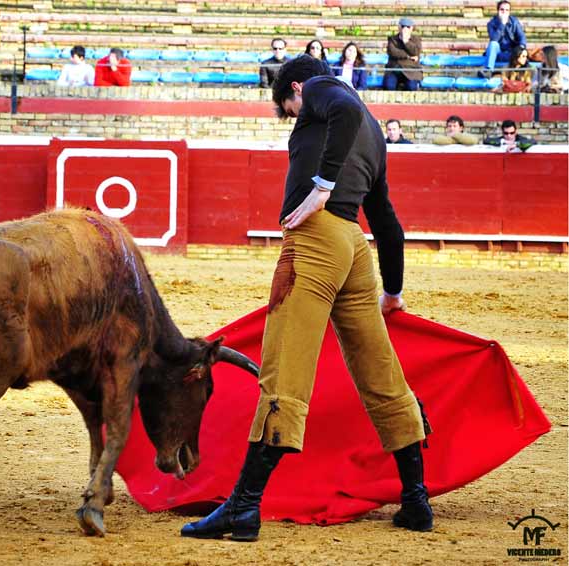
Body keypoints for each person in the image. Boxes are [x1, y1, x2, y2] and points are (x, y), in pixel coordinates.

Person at [180, 55, 431, 542]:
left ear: (296, 87)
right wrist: (393, 291)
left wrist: (321, 186)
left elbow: (346, 111)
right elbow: (386, 222)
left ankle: (243, 507)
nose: (297, 116)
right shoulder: (376, 137)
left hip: (314, 243)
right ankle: (415, 498)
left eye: (291, 109)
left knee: (284, 374)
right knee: (381, 373)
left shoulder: (320, 88)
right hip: (354, 247)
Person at [484, 0, 526, 75]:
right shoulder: (491, 23)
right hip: (497, 53)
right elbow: (494, 39)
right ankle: (488, 71)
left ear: (509, 12)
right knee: (493, 44)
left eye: (507, 10)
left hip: (512, 53)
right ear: (498, 11)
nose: (504, 12)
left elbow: (521, 36)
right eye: (502, 9)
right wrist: (502, 24)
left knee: (521, 50)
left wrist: (521, 47)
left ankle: (518, 75)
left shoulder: (514, 22)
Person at [384, 18, 422, 91]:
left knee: (411, 87)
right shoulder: (392, 39)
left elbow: (415, 52)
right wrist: (408, 56)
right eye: (403, 26)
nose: (405, 29)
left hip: (411, 70)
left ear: (412, 28)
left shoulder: (416, 39)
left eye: (408, 27)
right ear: (399, 27)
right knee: (389, 86)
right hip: (394, 69)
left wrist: (406, 41)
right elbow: (393, 52)